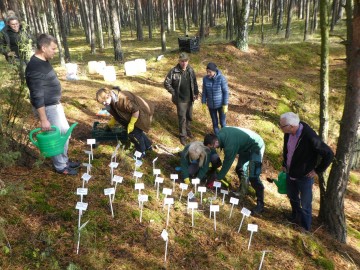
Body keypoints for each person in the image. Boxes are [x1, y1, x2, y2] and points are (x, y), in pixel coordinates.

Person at [26, 34, 80, 175]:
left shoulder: (43, 60)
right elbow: (36, 94)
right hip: (47, 108)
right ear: (43, 48)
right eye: (53, 49)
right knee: (56, 136)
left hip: (54, 105)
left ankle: (64, 160)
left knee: (65, 133)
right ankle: (61, 167)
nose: (55, 51)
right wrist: (44, 119)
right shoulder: (34, 67)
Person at [279, 112, 334, 231]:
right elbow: (287, 150)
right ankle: (295, 218)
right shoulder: (288, 133)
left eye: (282, 126)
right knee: (292, 197)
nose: (280, 128)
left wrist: (317, 170)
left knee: (305, 204)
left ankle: (305, 227)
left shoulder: (309, 136)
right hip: (290, 172)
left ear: (292, 126)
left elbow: (329, 154)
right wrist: (284, 163)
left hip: (304, 176)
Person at [204, 126, 266, 215]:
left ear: (216, 142)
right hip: (245, 148)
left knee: (254, 176)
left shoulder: (230, 145)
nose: (212, 149)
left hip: (256, 145)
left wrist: (218, 178)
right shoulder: (221, 134)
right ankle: (243, 191)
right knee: (240, 169)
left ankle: (260, 204)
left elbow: (227, 163)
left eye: (211, 147)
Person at [96, 87, 154, 158]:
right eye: (102, 103)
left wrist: (132, 123)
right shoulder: (110, 102)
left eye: (104, 101)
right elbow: (117, 112)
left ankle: (142, 151)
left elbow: (136, 110)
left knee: (135, 133)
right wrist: (113, 120)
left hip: (141, 111)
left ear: (108, 96)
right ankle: (148, 146)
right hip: (130, 114)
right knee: (137, 132)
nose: (104, 104)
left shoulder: (122, 99)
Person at [164, 52, 199, 146]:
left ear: (188, 61)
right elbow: (166, 83)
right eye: (182, 61)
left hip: (190, 98)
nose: (184, 63)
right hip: (180, 99)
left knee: (189, 116)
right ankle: (182, 136)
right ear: (179, 61)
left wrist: (196, 93)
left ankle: (188, 131)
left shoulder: (190, 70)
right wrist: (173, 92)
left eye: (186, 61)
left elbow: (194, 82)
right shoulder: (173, 71)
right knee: (182, 118)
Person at [201, 62, 229, 134]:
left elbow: (226, 92)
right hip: (211, 106)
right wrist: (203, 102)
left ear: (214, 71)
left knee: (222, 123)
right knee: (215, 123)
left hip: (221, 105)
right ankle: (218, 139)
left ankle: (225, 137)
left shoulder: (221, 78)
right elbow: (204, 92)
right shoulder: (205, 79)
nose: (208, 73)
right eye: (207, 72)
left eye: (209, 72)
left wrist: (225, 104)